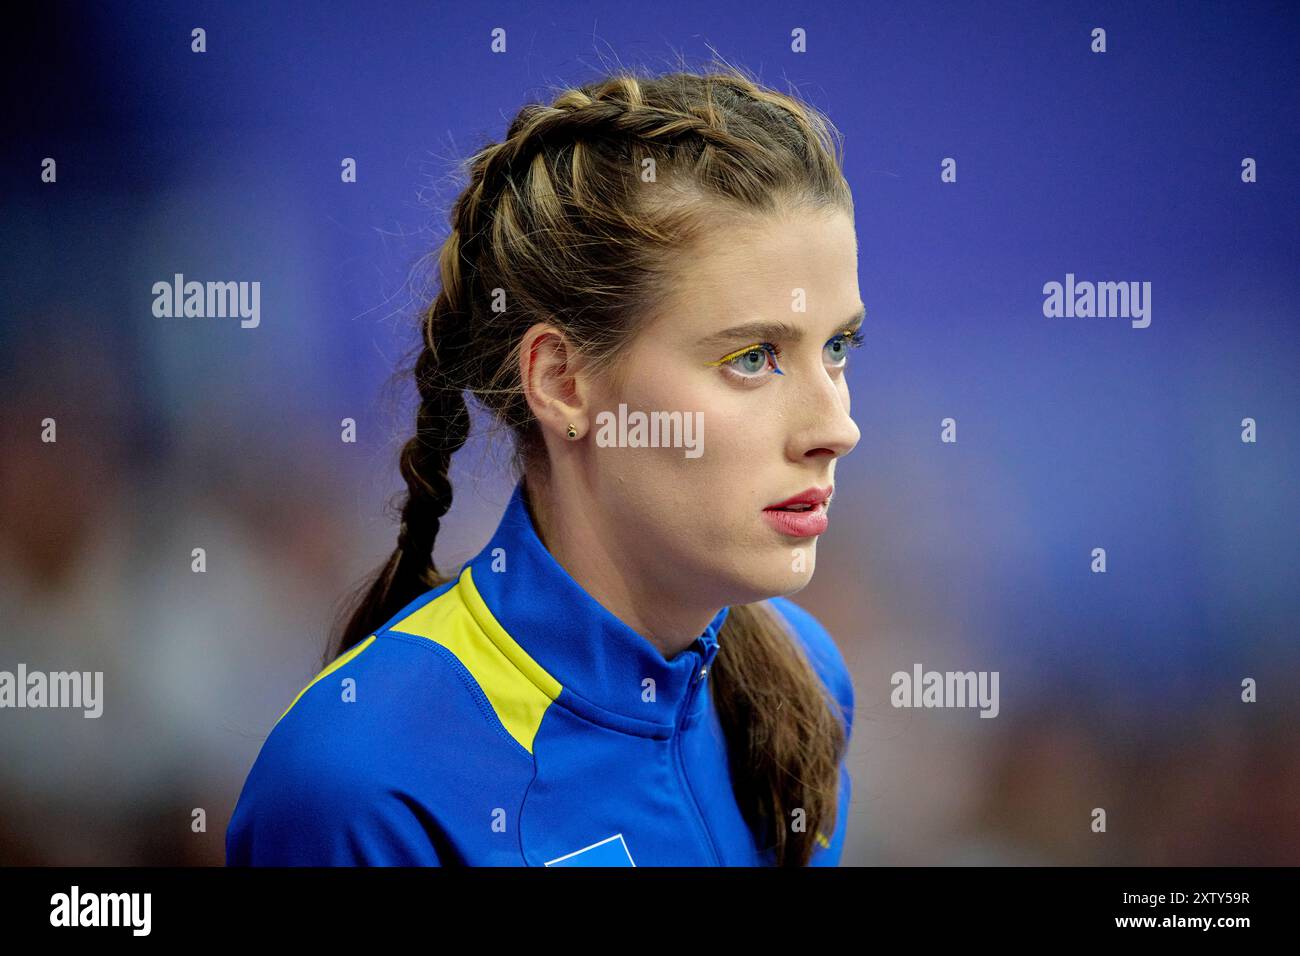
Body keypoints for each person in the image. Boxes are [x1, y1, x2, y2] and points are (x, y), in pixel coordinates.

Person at [226, 63, 863, 866]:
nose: (837, 427)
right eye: (752, 356)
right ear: (562, 382)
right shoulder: (358, 784)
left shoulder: (805, 678)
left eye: (838, 346)